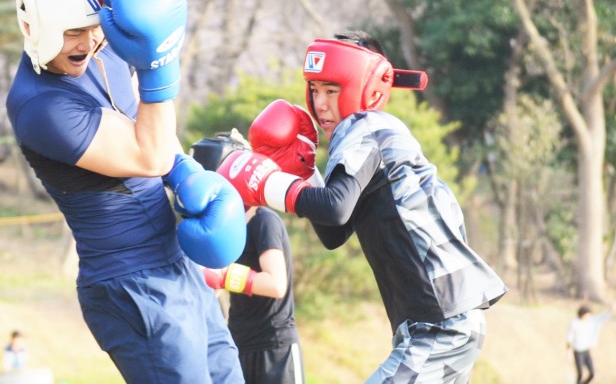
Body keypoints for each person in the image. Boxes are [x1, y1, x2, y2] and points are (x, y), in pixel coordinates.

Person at [6, 0, 247, 383]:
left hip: (176, 263)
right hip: (130, 283)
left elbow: (155, 134)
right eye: (73, 32)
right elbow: (149, 154)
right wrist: (160, 67)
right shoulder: (41, 107)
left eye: (93, 27)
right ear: (33, 26)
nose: (87, 42)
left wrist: (186, 172)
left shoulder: (107, 49)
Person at [215, 30, 508, 383]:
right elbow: (334, 232)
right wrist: (305, 173)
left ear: (367, 88)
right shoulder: (367, 136)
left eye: (332, 90)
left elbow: (334, 208)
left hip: (440, 322)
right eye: (315, 90)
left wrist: (266, 183)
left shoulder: (366, 126)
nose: (320, 104)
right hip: (438, 318)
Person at [191, 131, 305, 384]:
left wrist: (223, 275)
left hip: (274, 347)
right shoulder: (226, 228)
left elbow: (276, 284)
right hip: (238, 342)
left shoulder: (264, 221)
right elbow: (215, 285)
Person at [566, 304, 612, 384]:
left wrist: (610, 310)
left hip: (586, 351)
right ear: (582, 314)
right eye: (587, 314)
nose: (589, 316)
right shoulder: (575, 324)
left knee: (592, 373)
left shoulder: (591, 321)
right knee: (580, 373)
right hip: (578, 352)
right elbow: (569, 339)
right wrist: (569, 353)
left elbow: (601, 318)